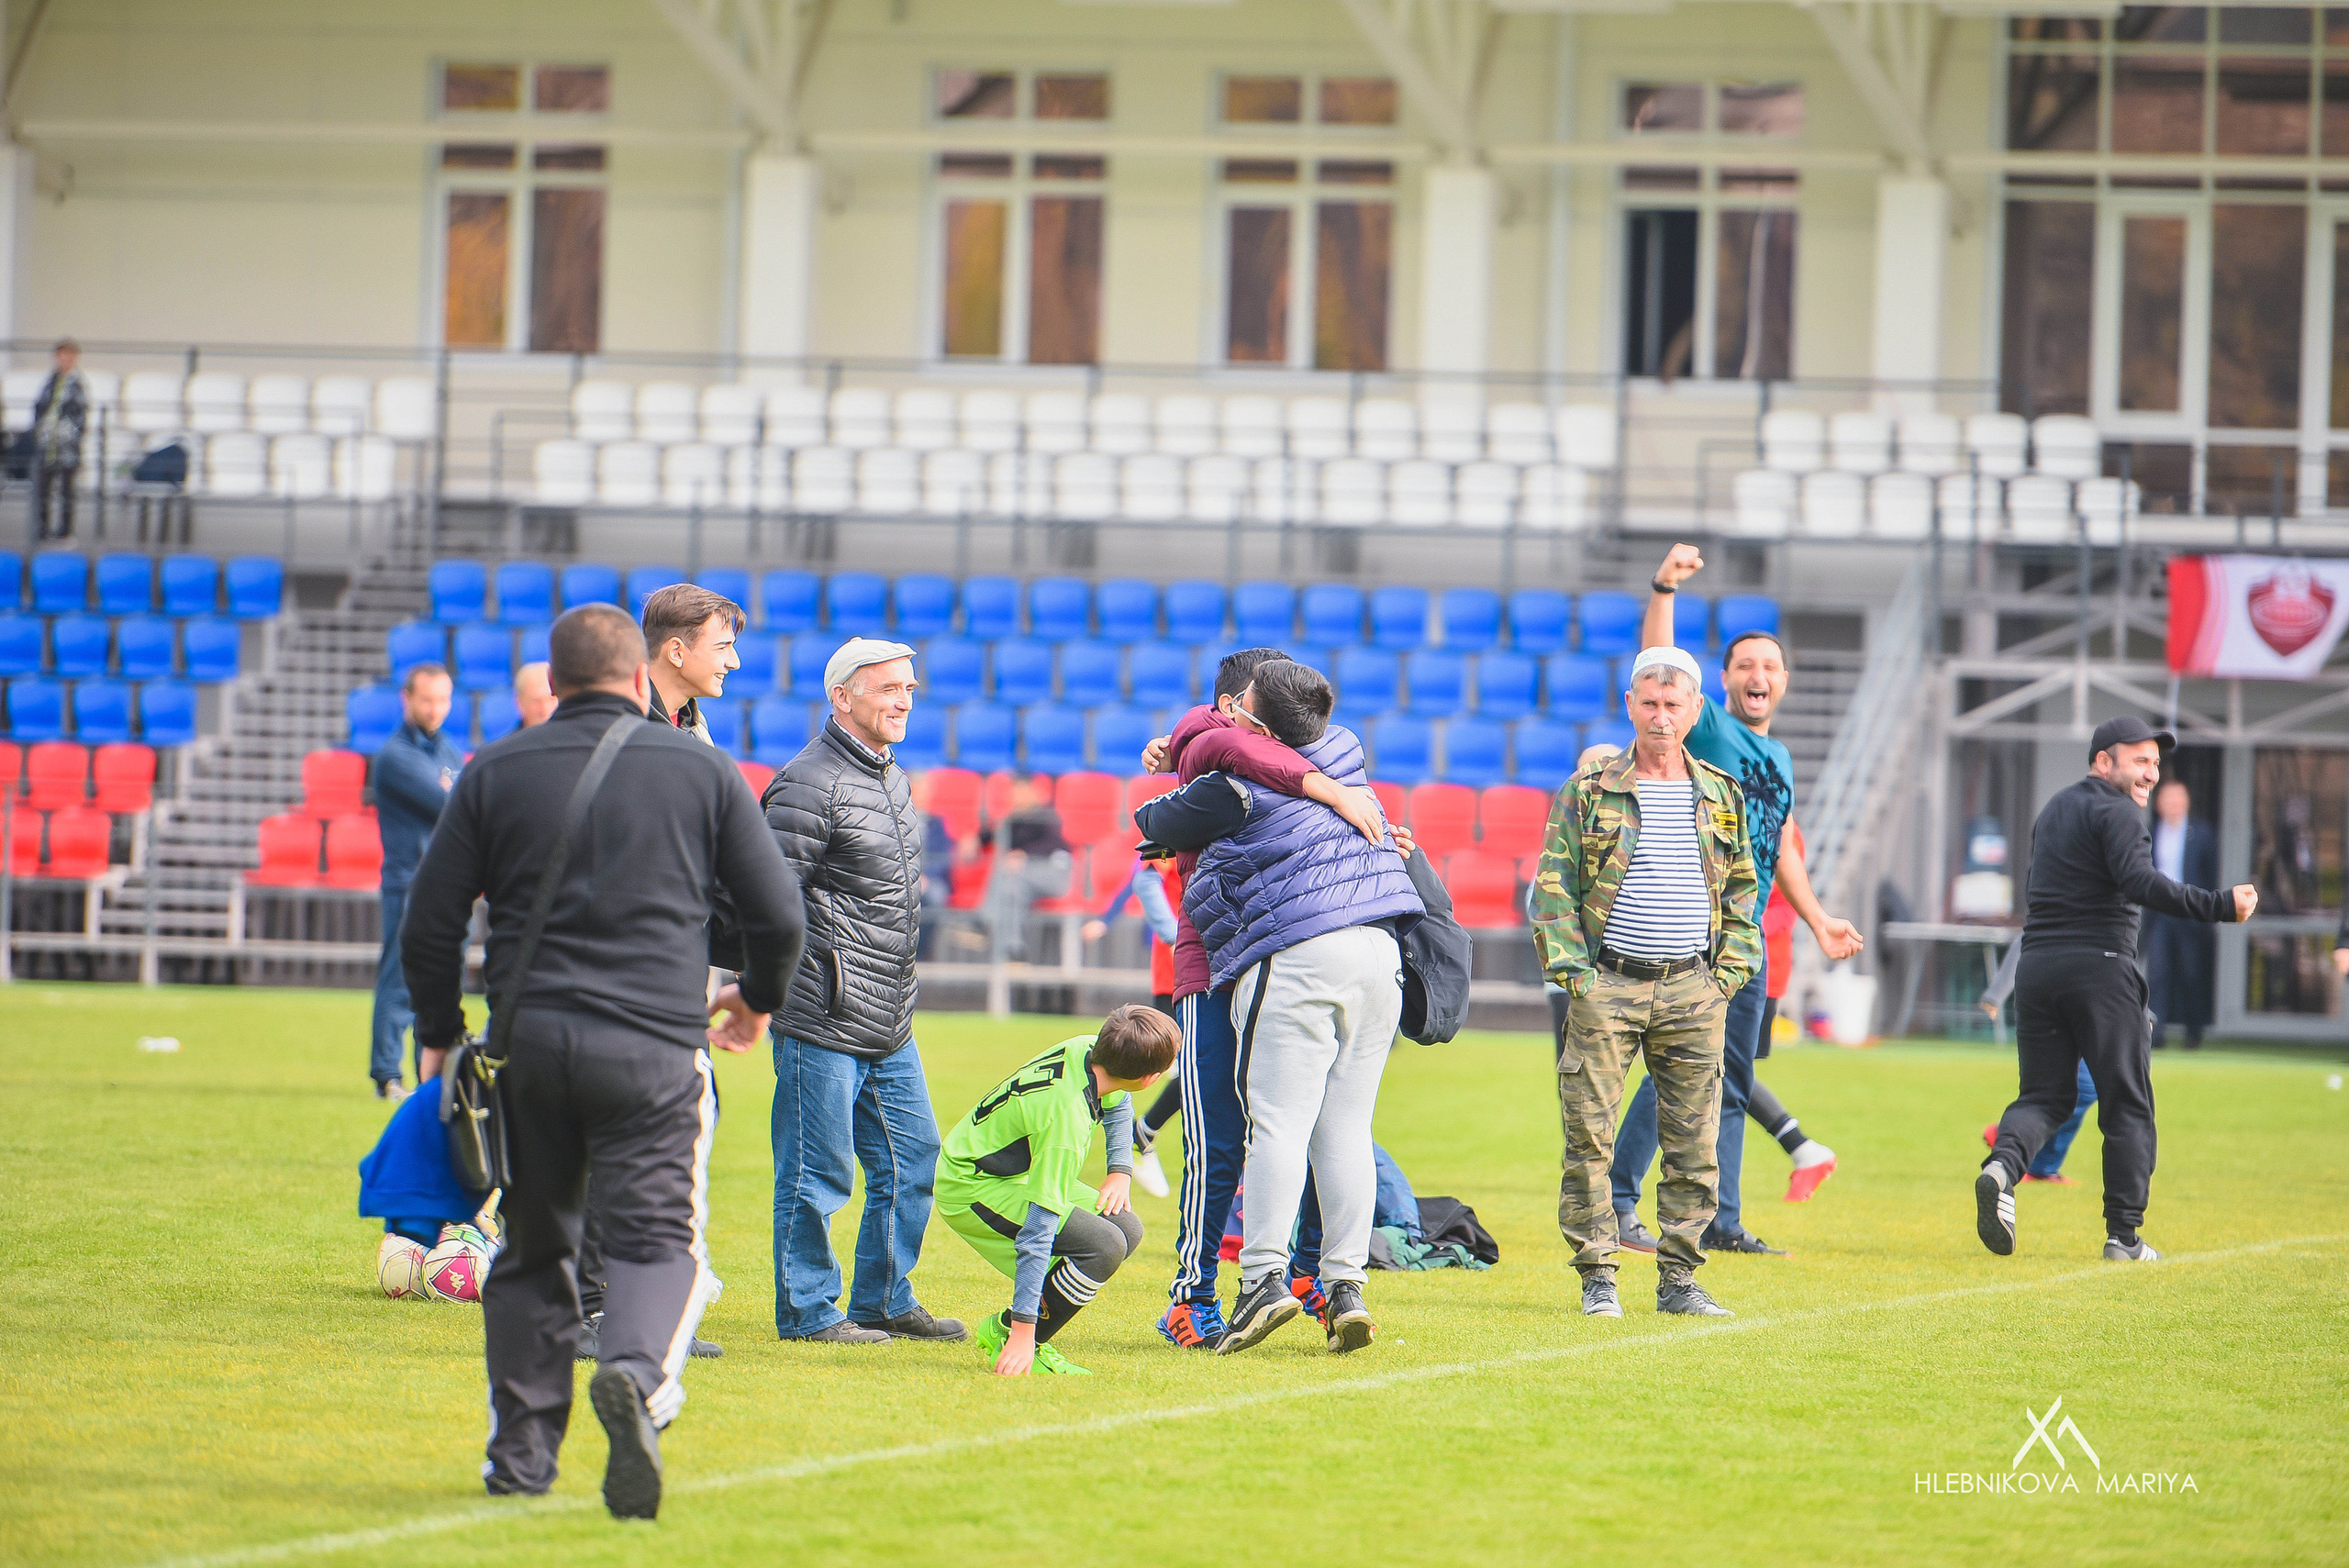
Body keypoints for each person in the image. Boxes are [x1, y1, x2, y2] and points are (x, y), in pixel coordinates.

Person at [400, 602, 807, 1519]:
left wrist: (436, 1030)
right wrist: (753, 999)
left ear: (555, 677)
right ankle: (630, 1374)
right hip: (657, 1047)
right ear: (637, 677)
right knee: (660, 1237)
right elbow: (779, 916)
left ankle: (519, 1455)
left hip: (530, 1047)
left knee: (535, 1249)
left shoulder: (494, 770)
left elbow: (427, 923)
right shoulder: (702, 770)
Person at [1135, 657, 1425, 1356]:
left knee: (1284, 1129)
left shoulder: (1256, 767)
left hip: (1279, 954)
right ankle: (1197, 1293)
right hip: (1219, 965)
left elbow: (1156, 811)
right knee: (1232, 1137)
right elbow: (1202, 741)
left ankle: (1287, 1278)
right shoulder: (1308, 757)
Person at [1607, 544, 1862, 1259]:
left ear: (1784, 681)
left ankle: (1722, 1219)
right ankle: (1620, 1202)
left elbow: (1781, 848)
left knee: (1733, 1081)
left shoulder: (1777, 758)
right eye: (1745, 664)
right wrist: (1664, 586)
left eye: (1770, 666)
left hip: (1749, 936)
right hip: (1697, 927)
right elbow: (1658, 659)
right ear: (1722, 682)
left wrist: (1817, 918)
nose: (1758, 675)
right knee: (1681, 1068)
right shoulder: (1710, 727)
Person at [1532, 646, 1762, 1321]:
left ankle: (1681, 1280)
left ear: (1695, 710)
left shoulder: (1722, 792)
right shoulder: (1589, 788)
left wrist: (1726, 977)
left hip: (1694, 988)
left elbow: (1746, 892)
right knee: (1589, 1137)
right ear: (1630, 705)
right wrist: (1578, 977)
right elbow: (1551, 891)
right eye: (1649, 703)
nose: (1661, 717)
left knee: (1695, 1143)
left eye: (1674, 704)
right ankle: (1598, 1274)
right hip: (1609, 985)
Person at [1976, 717, 2256, 1264]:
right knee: (2129, 1106)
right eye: (2139, 760)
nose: (2150, 772)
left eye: (2155, 762)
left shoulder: (2055, 808)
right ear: (2104, 762)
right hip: (2101, 971)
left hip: (2037, 970)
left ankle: (2002, 1169)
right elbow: (2139, 882)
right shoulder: (2120, 811)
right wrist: (2221, 904)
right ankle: (2124, 1238)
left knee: (2044, 1097)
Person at [763, 637, 963, 1345]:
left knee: (914, 1159)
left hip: (889, 1016)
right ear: (842, 696)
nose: (904, 699)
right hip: (822, 1011)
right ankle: (810, 1311)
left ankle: (882, 1298)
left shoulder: (892, 776)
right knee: (815, 1173)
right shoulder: (807, 782)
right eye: (888, 688)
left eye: (910, 687)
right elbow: (767, 898)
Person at [575, 586, 748, 1364]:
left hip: (677, 962)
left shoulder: (691, 729)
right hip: (616, 963)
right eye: (721, 645)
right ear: (674, 651)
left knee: (664, 1136)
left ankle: (630, 1305)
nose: (733, 660)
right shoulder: (618, 728)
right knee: (606, 1139)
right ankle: (584, 1305)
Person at [939, 1006, 1182, 1375]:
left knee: (1126, 1228)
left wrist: (1120, 1170)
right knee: (1104, 1246)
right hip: (972, 1187)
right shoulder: (1065, 1123)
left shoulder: (1090, 1049)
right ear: (1150, 1079)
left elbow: (1119, 1102)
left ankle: (1019, 1323)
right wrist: (1025, 1329)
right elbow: (1038, 1233)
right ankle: (1017, 1336)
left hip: (1014, 1172)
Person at [368, 662, 464, 1099]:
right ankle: (387, 1074)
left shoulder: (446, 749)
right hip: (408, 882)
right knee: (399, 978)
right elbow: (451, 808)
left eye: (443, 699)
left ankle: (427, 1073)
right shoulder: (395, 756)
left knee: (442, 980)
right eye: (427, 699)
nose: (435, 708)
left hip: (445, 885)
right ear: (407, 699)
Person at [1083, 856, 1180, 1197]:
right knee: (1201, 1067)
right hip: (1179, 970)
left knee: (1201, 1068)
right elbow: (1141, 879)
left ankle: (1144, 1132)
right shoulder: (1177, 824)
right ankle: (1142, 1132)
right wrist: (1172, 939)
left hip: (1207, 966)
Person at [1978, 941, 2095, 1184]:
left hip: (2090, 1000)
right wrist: (1996, 993)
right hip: (2055, 1005)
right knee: (2079, 1086)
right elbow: (2027, 937)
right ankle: (2018, 1141)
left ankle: (2025, 1149)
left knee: (2084, 1088)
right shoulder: (2059, 906)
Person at [2143, 778, 2219, 1051]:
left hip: (2190, 912)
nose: (2173, 804)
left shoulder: (2202, 832)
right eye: (2168, 799)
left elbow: (2211, 875)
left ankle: (2193, 1033)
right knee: (2158, 974)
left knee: (2191, 974)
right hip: (2160, 912)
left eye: (2178, 798)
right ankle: (2156, 1033)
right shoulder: (2151, 832)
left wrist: (2209, 912)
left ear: (2186, 802)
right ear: (2159, 804)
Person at [982, 773, 1073, 963]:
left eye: (1021, 791)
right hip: (1024, 878)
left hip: (1054, 873)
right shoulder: (1014, 820)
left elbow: (1055, 844)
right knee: (1012, 887)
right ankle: (1013, 949)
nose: (1016, 797)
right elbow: (987, 838)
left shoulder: (1045, 814)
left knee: (1010, 875)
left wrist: (1025, 855)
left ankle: (985, 922)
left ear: (1033, 792)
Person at [641, 583, 740, 740]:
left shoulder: (697, 726)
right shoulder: (623, 733)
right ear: (677, 653)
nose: (735, 663)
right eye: (721, 648)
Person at [29, 339, 88, 541]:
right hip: (47, 443)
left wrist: (69, 434)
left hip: (67, 445)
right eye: (61, 356)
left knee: (66, 489)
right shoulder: (50, 382)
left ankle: (65, 529)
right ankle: (42, 527)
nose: (65, 361)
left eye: (69, 357)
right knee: (43, 488)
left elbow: (80, 414)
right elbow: (39, 407)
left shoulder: (77, 384)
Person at [514, 661, 558, 728]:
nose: (545, 710)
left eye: (551, 699)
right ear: (519, 703)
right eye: (536, 701)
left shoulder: (576, 736)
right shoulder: (512, 739)